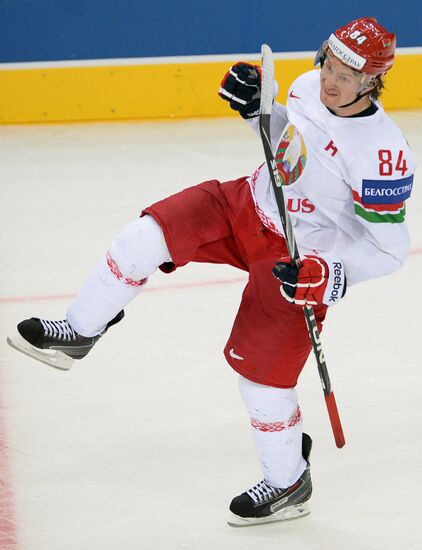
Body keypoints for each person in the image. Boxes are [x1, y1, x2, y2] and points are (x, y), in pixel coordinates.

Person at [7, 17, 415, 526]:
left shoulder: (384, 153)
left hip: (297, 258)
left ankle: (288, 482)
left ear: (372, 81)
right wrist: (258, 110)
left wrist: (330, 274)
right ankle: (79, 332)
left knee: (262, 383)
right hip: (247, 204)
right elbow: (287, 151)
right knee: (143, 238)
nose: (331, 80)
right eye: (329, 65)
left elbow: (391, 247)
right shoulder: (308, 86)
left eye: (348, 75)